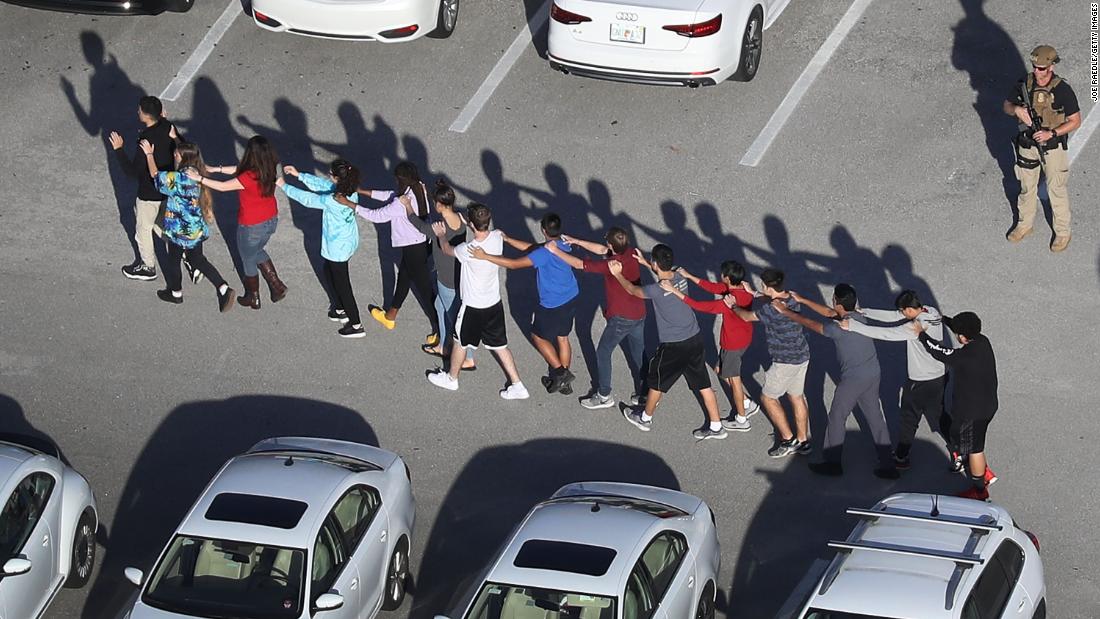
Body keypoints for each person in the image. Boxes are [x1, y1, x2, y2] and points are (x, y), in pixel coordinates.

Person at [773, 286, 897, 478]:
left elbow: (811, 323)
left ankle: (833, 463)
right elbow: (830, 313)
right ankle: (888, 464)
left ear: (836, 301)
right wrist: (802, 300)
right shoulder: (857, 317)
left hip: (853, 380)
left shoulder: (837, 328)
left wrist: (785, 311)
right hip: (873, 373)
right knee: (875, 416)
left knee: (837, 417)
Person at [610, 245, 727, 440]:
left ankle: (645, 418)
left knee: (656, 383)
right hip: (694, 337)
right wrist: (646, 263)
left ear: (656, 264)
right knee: (703, 383)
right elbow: (663, 272)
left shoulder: (655, 290)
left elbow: (633, 290)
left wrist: (617, 274)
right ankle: (716, 426)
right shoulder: (679, 275)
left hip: (674, 345)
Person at [426, 203, 529, 399]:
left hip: (472, 307)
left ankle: (451, 379)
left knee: (459, 342)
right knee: (500, 346)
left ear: (471, 224)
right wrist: (471, 221)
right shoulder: (497, 236)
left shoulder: (468, 249)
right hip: (493, 303)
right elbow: (486, 231)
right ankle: (518, 385)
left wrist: (440, 234)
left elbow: (447, 249)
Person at [470, 213, 579, 395]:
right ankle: (564, 383)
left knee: (538, 337)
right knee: (563, 337)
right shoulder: (561, 243)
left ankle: (561, 373)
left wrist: (485, 256)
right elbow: (531, 248)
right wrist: (507, 239)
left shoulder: (544, 253)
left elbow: (514, 264)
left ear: (543, 230)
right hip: (571, 296)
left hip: (552, 303)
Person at [842, 290, 949, 470]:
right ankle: (960, 450)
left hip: (920, 381)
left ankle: (901, 457)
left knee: (909, 419)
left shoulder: (915, 327)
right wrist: (865, 311)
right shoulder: (931, 312)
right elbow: (894, 316)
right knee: (940, 415)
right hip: (940, 376)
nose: (901, 314)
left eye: (903, 311)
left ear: (909, 309)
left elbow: (887, 333)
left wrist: (853, 326)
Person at [544, 228, 646, 409]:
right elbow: (602, 250)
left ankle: (604, 395)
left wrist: (555, 250)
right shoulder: (630, 252)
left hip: (622, 317)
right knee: (639, 353)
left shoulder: (612, 265)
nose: (605, 244)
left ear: (612, 245)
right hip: (639, 312)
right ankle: (645, 393)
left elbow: (578, 264)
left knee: (603, 353)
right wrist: (576, 241)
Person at [189, 135, 287, 309]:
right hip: (270, 219)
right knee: (256, 250)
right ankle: (276, 285)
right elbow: (239, 169)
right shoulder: (268, 167)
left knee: (248, 258)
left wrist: (199, 178)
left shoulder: (249, 177)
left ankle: (253, 296)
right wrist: (216, 169)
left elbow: (223, 187)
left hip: (251, 224)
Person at [137, 139, 235, 312]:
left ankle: (175, 293)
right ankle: (223, 288)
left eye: (177, 153)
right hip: (196, 228)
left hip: (180, 231)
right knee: (197, 259)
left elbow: (156, 176)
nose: (174, 154)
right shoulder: (196, 172)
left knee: (173, 261)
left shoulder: (180, 178)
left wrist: (149, 154)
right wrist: (175, 136)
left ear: (183, 157)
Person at [1004, 45, 1082, 252]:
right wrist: (1018, 110)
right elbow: (1006, 106)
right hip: (1027, 144)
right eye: (1035, 67)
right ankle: (1024, 224)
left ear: (1051, 67)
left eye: (1042, 68)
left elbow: (1075, 121)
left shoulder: (1062, 89)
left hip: (1052, 147)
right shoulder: (1025, 84)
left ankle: (1063, 232)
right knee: (1026, 186)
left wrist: (1052, 133)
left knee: (1056, 189)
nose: (1038, 72)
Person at [913, 312, 998, 500]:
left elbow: (939, 351)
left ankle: (979, 489)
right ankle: (984, 472)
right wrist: (943, 319)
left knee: (974, 448)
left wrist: (921, 334)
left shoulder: (963, 356)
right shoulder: (983, 342)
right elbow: (962, 329)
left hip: (971, 412)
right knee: (976, 439)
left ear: (962, 336)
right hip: (988, 405)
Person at [351, 162, 440, 343]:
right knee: (404, 278)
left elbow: (377, 215)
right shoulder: (419, 187)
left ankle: (441, 331)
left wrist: (351, 205)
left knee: (426, 291)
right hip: (422, 243)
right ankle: (390, 315)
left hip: (413, 248)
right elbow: (391, 196)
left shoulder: (401, 203)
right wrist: (364, 192)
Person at [277, 160, 365, 338]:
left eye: (330, 174)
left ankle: (356, 325)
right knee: (328, 271)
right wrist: (299, 175)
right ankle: (339, 308)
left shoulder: (333, 200)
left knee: (343, 286)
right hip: (347, 242)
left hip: (337, 248)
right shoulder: (349, 190)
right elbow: (323, 185)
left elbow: (309, 199)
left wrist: (283, 186)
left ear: (336, 178)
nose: (328, 177)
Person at [732, 269, 811, 457]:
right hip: (801, 355)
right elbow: (772, 298)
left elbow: (747, 317)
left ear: (768, 286)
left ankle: (787, 439)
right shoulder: (791, 297)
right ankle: (803, 441)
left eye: (762, 285)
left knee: (768, 398)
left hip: (784, 362)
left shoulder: (770, 309)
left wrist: (734, 305)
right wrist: (754, 293)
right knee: (797, 397)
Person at [674, 261, 761, 429]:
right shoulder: (743, 289)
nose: (720, 277)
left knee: (734, 381)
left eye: (722, 275)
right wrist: (689, 276)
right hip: (743, 338)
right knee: (720, 370)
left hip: (732, 344)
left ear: (727, 278)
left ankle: (742, 419)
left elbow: (700, 306)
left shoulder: (728, 301)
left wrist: (675, 292)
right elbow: (714, 288)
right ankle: (746, 402)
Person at [406, 180, 475, 370]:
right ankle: (444, 346)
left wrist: (407, 206)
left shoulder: (439, 227)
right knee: (439, 306)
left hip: (447, 279)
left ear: (439, 204)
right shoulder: (460, 218)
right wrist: (426, 190)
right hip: (459, 274)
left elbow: (417, 224)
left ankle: (468, 357)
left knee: (455, 319)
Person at [109, 95, 175, 281]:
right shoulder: (169, 127)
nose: (137, 112)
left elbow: (132, 172)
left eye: (139, 110)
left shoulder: (145, 140)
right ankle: (183, 249)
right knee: (160, 223)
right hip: (167, 187)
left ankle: (147, 267)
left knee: (143, 229)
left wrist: (118, 149)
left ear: (146, 116)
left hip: (149, 193)